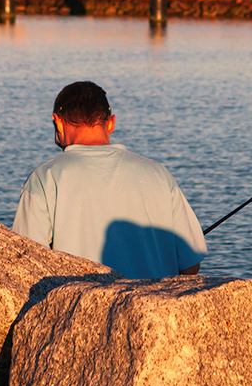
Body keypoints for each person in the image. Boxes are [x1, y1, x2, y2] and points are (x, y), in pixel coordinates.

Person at [13, 81, 207, 279]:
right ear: (112, 122)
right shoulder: (158, 173)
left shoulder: (44, 177)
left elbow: (26, 265)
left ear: (58, 122)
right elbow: (191, 266)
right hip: (156, 305)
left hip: (80, 306)